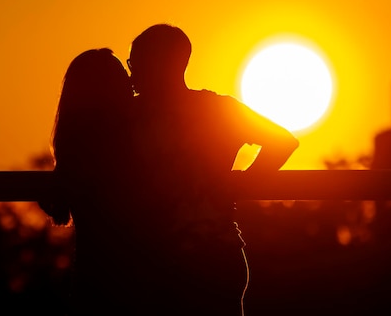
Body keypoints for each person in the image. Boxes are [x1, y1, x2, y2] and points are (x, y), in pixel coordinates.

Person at [126, 23, 300, 316]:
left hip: (160, 263)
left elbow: (285, 141)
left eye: (136, 62)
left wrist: (242, 183)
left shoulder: (129, 117)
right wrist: (243, 184)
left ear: (158, 63)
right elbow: (283, 142)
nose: (133, 73)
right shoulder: (217, 109)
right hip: (216, 254)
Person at [39, 48, 139, 316]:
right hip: (130, 279)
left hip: (91, 276)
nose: (131, 81)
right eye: (122, 75)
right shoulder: (123, 143)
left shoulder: (75, 148)